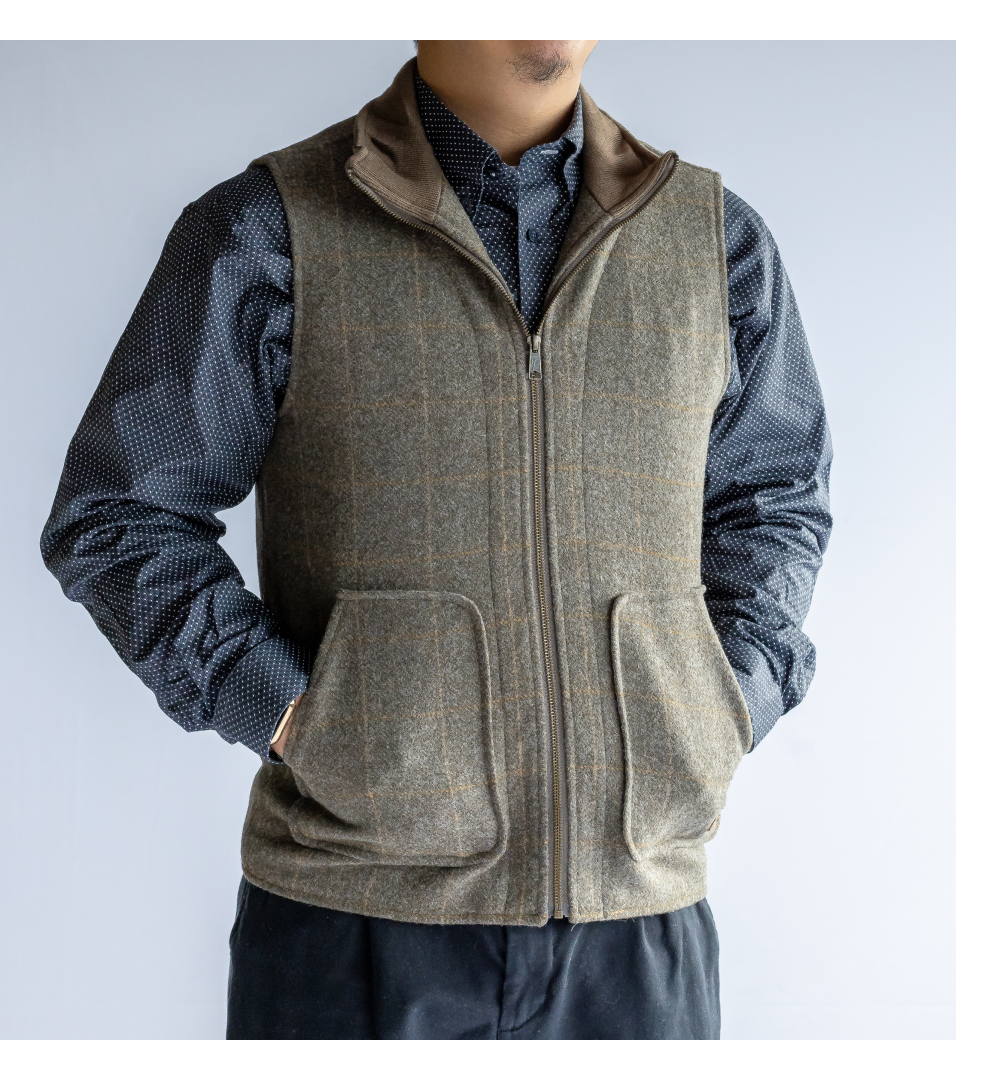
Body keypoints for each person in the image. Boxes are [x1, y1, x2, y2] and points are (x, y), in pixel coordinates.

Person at [41, 40, 832, 1040]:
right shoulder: (271, 229)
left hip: (638, 926)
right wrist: (295, 716)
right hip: (352, 920)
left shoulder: (712, 240)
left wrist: (722, 707)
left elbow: (775, 503)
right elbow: (120, 512)